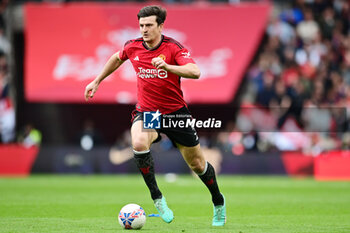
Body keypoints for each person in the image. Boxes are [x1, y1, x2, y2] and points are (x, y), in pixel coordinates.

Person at [84, 5, 226, 226]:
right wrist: (97, 80)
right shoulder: (133, 47)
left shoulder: (173, 47)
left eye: (149, 25)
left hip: (175, 114)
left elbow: (195, 71)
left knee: (198, 164)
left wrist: (168, 66)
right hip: (149, 112)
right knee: (139, 142)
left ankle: (218, 200)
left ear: (160, 26)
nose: (144, 29)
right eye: (141, 25)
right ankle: (157, 198)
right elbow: (117, 58)